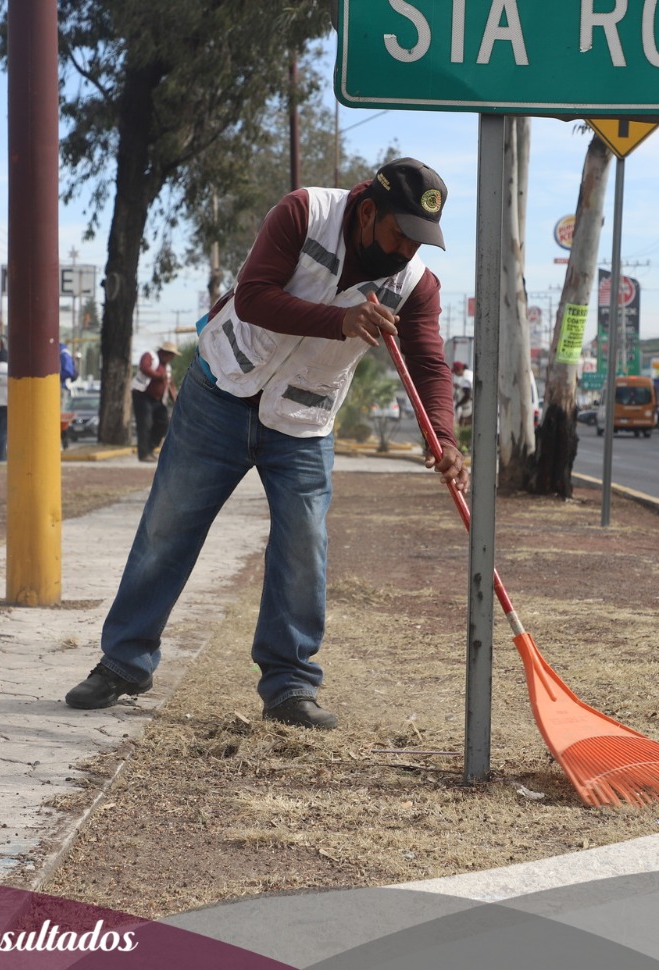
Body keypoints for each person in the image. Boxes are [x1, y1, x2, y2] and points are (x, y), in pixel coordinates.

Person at [65, 156, 466, 730]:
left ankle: (289, 686)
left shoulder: (416, 284)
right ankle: (125, 663)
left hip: (302, 424)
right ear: (370, 211)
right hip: (219, 393)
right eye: (401, 234)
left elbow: (428, 362)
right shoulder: (304, 213)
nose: (407, 251)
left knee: (304, 548)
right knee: (166, 529)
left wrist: (445, 435)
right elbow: (253, 296)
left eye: (420, 240)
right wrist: (342, 321)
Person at [131, 342, 178, 462]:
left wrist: (176, 401)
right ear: (164, 353)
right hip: (142, 395)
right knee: (145, 424)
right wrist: (158, 376)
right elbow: (144, 368)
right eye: (171, 355)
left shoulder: (167, 367)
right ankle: (144, 454)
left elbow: (170, 385)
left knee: (163, 423)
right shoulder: (150, 356)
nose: (172, 358)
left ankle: (150, 448)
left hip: (158, 400)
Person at [452, 360, 474, 424]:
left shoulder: (466, 377)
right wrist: (459, 387)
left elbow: (467, 395)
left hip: (469, 408)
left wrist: (458, 405)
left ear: (459, 369)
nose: (455, 374)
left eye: (455, 372)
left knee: (464, 426)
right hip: (470, 407)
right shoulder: (468, 373)